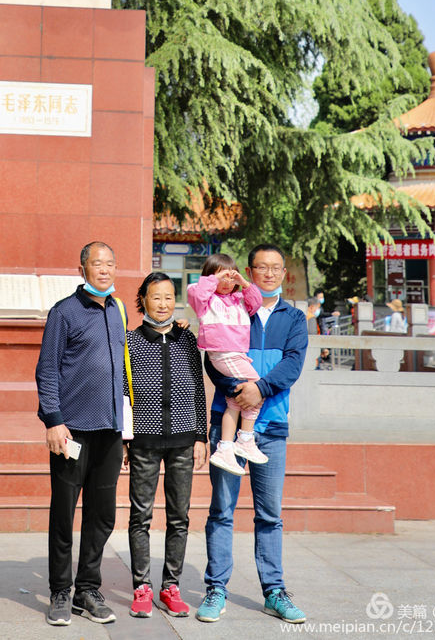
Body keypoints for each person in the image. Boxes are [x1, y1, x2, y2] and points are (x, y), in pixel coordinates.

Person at [196, 243, 308, 626]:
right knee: (221, 511)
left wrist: (259, 390)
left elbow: (293, 364)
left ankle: (274, 592)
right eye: (262, 267)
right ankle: (216, 589)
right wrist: (235, 388)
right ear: (249, 271)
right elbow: (212, 357)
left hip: (271, 426)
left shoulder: (294, 318)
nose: (270, 273)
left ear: (284, 273)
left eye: (276, 267)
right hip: (227, 425)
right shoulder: (231, 305)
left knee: (269, 515)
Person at [35, 241, 126, 626]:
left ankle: (87, 590)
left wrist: (126, 430)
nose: (104, 270)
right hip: (71, 432)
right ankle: (60, 590)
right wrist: (53, 420)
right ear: (82, 270)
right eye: (97, 264)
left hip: (110, 431)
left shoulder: (119, 310)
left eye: (110, 264)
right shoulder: (65, 312)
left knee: (102, 516)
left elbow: (123, 370)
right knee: (64, 514)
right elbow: (47, 369)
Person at [124, 271, 207, 619]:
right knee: (140, 514)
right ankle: (141, 587)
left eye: (169, 297)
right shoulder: (129, 341)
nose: (163, 304)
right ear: (143, 300)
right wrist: (124, 439)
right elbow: (123, 392)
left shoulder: (187, 340)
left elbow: (198, 388)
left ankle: (170, 586)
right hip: (143, 441)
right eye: (156, 297)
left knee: (179, 517)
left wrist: (201, 435)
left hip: (183, 440)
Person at [187, 254, 266, 475]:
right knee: (257, 388)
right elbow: (196, 293)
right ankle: (245, 438)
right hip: (223, 355)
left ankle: (226, 447)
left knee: (235, 400)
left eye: (230, 277)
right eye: (221, 277)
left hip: (237, 355)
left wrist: (244, 282)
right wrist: (215, 279)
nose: (226, 282)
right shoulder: (206, 301)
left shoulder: (239, 299)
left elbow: (256, 302)